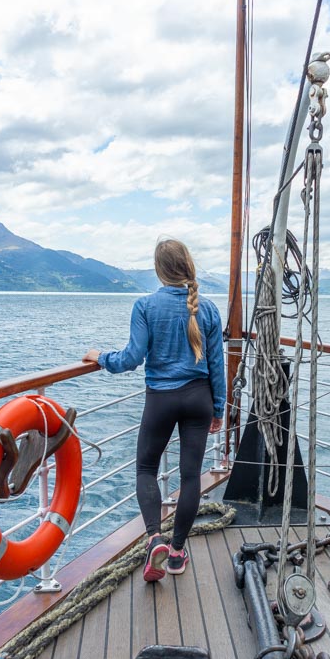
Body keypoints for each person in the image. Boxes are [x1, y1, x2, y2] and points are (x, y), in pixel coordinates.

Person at [83, 239, 225, 582]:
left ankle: (154, 539)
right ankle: (176, 553)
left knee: (146, 468)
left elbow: (131, 358)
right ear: (188, 266)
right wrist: (219, 408)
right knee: (190, 476)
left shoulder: (145, 306)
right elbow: (217, 366)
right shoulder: (207, 309)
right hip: (199, 398)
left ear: (159, 271)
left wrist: (100, 357)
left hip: (162, 398)